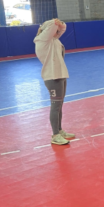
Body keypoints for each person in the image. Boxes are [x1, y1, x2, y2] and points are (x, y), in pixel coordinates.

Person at [34, 18, 75, 146]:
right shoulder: (42, 40)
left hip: (60, 74)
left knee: (59, 105)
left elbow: (63, 28)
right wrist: (54, 22)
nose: (57, 32)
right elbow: (52, 26)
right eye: (54, 30)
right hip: (52, 77)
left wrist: (60, 24)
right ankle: (55, 135)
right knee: (55, 106)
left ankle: (60, 130)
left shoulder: (53, 39)